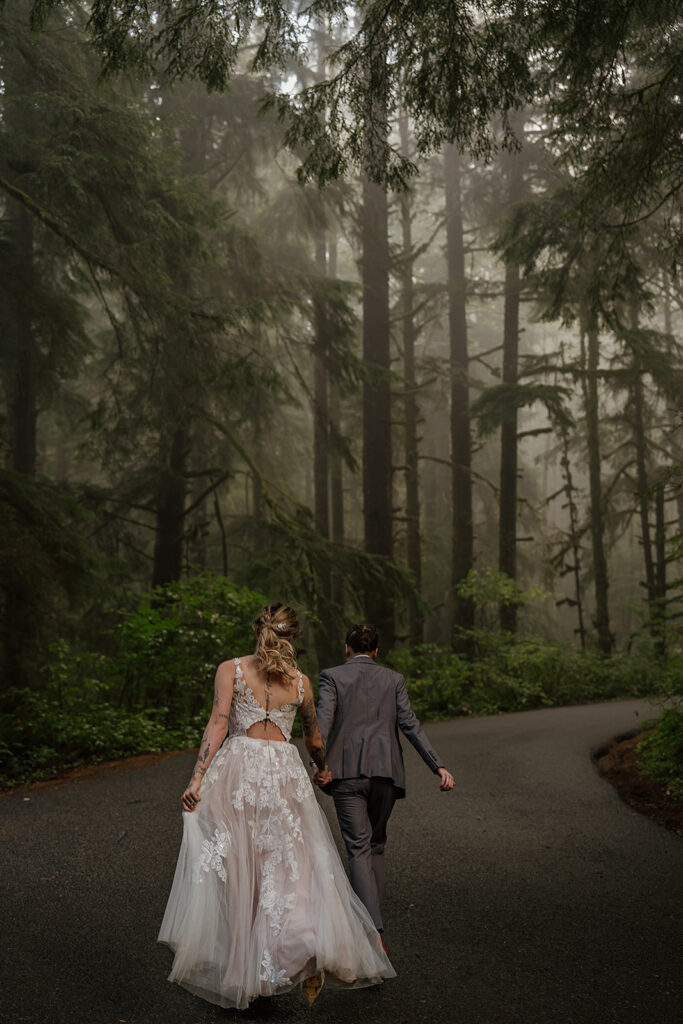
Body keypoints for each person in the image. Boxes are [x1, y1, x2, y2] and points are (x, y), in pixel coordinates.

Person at [158, 604, 395, 1010]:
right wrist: (322, 770)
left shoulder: (230, 669)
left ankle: (243, 973)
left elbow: (218, 723)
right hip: (284, 777)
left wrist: (197, 778)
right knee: (290, 871)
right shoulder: (301, 683)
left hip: (239, 777)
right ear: (294, 638)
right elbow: (314, 740)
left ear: (258, 631)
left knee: (240, 874)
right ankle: (297, 947)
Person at [314, 623, 455, 939]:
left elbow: (321, 723)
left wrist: (318, 764)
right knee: (375, 845)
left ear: (346, 648)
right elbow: (410, 725)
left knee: (358, 849)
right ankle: (373, 923)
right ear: (376, 651)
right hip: (386, 773)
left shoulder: (332, 677)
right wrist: (438, 766)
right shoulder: (394, 679)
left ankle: (372, 934)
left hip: (346, 773)